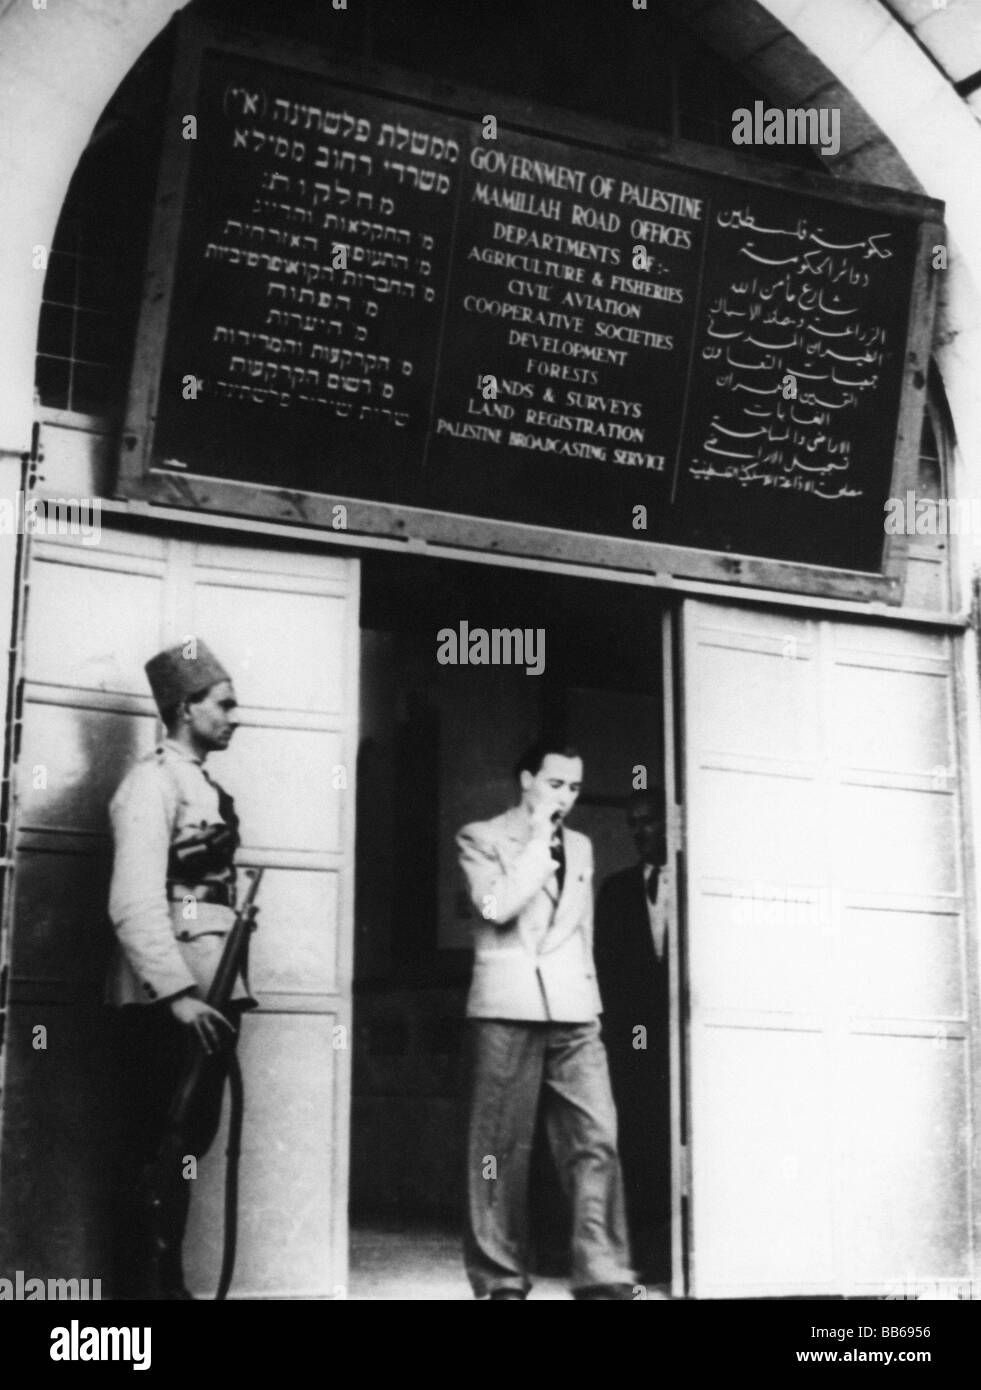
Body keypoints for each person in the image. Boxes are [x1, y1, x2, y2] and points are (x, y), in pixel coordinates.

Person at [456, 740, 635, 1300]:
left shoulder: (581, 846)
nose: (566, 797)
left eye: (575, 788)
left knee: (597, 1135)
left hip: (575, 1010)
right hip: (507, 1005)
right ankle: (500, 1278)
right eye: (556, 784)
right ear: (527, 779)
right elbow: (495, 907)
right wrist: (536, 841)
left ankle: (602, 1271)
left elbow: (582, 931)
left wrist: (593, 1004)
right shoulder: (480, 836)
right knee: (497, 1150)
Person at [106, 638, 254, 1300]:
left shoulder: (203, 785)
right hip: (169, 1006)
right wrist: (178, 996)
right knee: (153, 1155)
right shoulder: (150, 784)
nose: (235, 715)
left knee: (186, 1151)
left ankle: (166, 1291)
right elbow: (134, 901)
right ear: (185, 708)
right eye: (223, 704)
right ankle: (139, 1305)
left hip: (210, 997)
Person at [593, 790, 672, 1284]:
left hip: (682, 1042)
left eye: (650, 821)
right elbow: (606, 967)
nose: (641, 832)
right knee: (639, 1142)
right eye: (633, 824)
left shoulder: (694, 883)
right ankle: (642, 1253)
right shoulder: (617, 889)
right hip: (635, 1042)